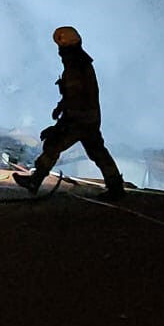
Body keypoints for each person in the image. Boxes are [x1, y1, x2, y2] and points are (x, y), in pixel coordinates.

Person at [16, 25, 127, 198]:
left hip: (79, 119)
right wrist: (60, 107)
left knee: (54, 145)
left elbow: (76, 98)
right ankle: (116, 187)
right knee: (98, 151)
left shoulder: (76, 66)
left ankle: (35, 180)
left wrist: (60, 124)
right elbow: (75, 94)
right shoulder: (80, 63)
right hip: (89, 117)